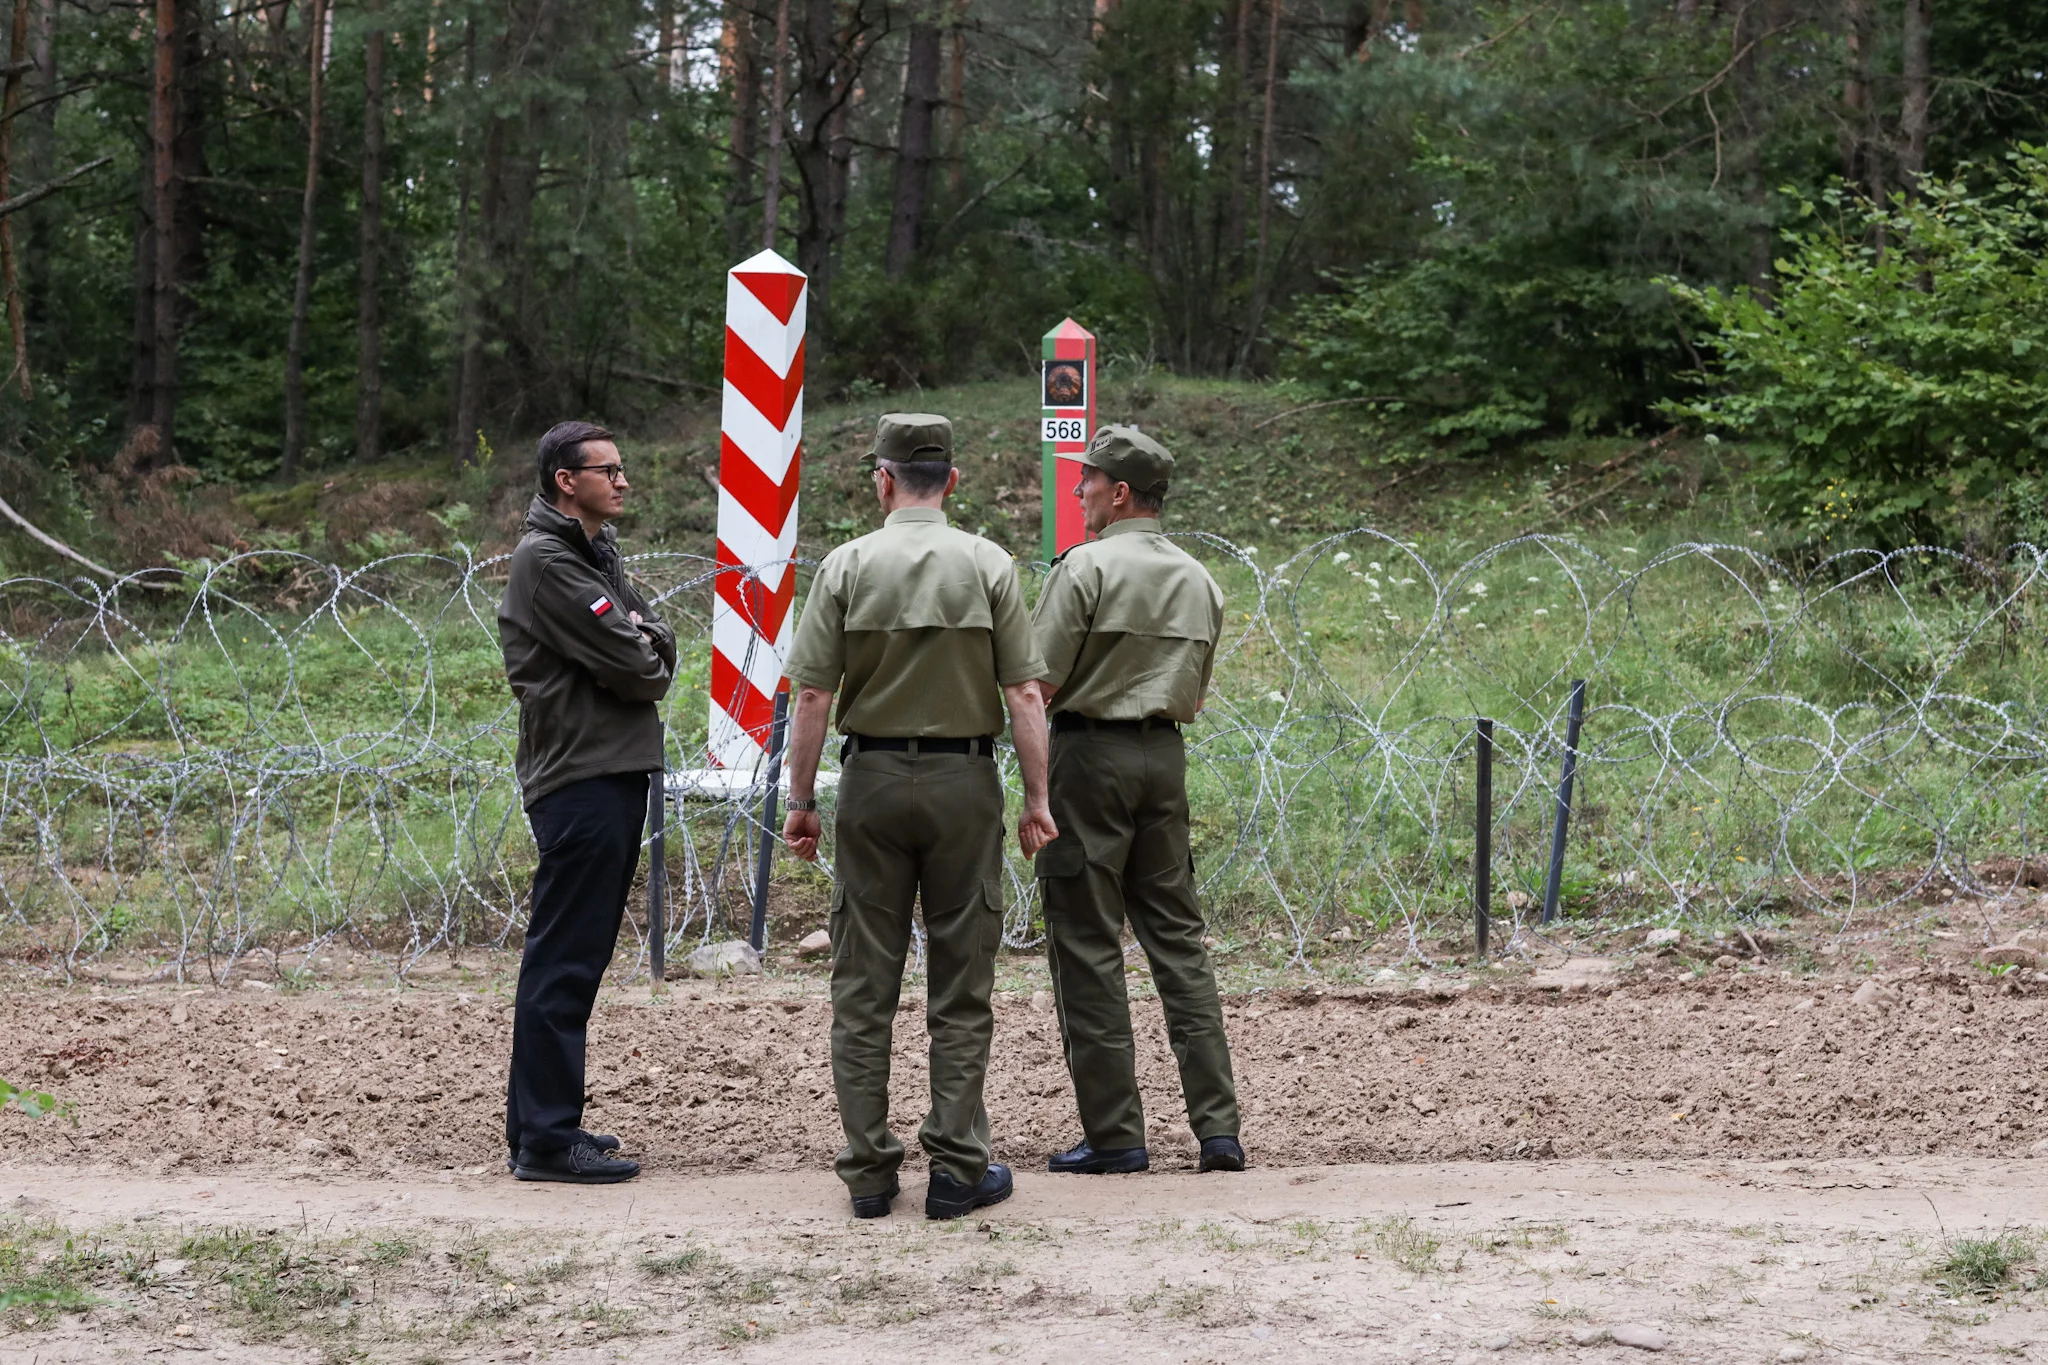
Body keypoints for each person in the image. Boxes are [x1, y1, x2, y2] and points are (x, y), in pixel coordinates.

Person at [780, 412, 1058, 1221]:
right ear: (953, 481)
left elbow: (812, 695)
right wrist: (1037, 802)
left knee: (863, 986)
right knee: (961, 984)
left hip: (868, 780)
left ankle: (868, 1172)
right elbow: (1025, 695)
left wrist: (801, 802)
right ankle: (956, 1168)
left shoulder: (846, 564)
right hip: (963, 783)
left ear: (883, 478)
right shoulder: (988, 563)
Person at [1029, 423, 1244, 1176]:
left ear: (1119, 491)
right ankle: (1219, 1129)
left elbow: (1040, 682)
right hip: (1164, 757)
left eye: (1087, 481)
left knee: (1088, 943)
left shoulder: (1083, 570)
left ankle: (1116, 1134)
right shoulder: (1200, 579)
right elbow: (1197, 686)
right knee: (1178, 941)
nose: (1079, 491)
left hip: (1090, 755)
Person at [497, 420, 676, 1184]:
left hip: (603, 770)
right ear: (566, 480)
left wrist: (647, 639)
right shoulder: (549, 561)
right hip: (582, 776)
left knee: (576, 955)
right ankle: (543, 1138)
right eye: (608, 469)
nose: (623, 480)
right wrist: (645, 641)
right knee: (564, 958)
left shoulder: (588, 554)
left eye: (622, 466)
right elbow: (640, 663)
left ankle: (547, 1124)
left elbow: (655, 646)